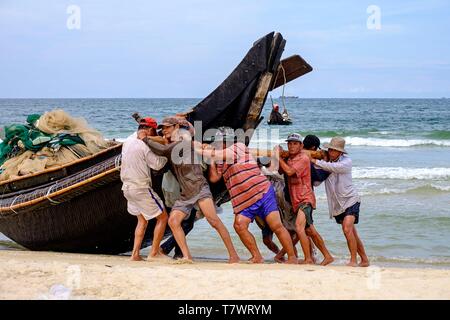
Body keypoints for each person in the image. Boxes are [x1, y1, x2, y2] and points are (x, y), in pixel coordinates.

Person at [141, 117, 240, 264]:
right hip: (186, 193)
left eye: (167, 127)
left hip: (199, 188)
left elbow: (162, 150)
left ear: (176, 127)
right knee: (174, 221)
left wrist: (145, 139)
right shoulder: (178, 143)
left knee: (214, 222)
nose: (164, 130)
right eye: (163, 128)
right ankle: (187, 256)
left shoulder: (182, 142)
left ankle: (234, 256)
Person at [198, 127, 297, 264]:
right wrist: (212, 161)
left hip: (262, 192)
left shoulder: (239, 147)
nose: (219, 144)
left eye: (221, 141)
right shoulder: (220, 158)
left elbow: (217, 154)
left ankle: (292, 258)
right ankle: (257, 256)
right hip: (243, 201)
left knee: (276, 225)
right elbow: (214, 178)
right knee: (239, 226)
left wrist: (202, 150)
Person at [310, 136, 370, 267]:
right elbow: (316, 182)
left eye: (334, 150)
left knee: (347, 228)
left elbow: (335, 167)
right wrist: (314, 165)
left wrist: (314, 161)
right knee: (352, 232)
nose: (331, 152)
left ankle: (353, 260)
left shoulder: (346, 161)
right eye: (330, 150)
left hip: (350, 199)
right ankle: (364, 259)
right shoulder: (326, 164)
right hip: (337, 205)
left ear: (340, 152)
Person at [276, 133, 334, 266]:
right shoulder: (290, 158)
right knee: (310, 231)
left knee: (298, 227)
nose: (291, 146)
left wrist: (278, 157)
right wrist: (281, 158)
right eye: (289, 143)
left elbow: (290, 172)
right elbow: (281, 171)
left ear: (301, 146)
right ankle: (328, 256)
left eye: (295, 143)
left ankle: (308, 259)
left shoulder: (303, 158)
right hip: (295, 200)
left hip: (305, 198)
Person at [120, 117, 169, 261]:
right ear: (148, 130)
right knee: (163, 217)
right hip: (140, 187)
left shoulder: (128, 140)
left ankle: (135, 254)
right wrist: (167, 154)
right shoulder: (144, 144)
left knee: (142, 221)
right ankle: (154, 253)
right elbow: (157, 165)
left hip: (126, 187)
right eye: (154, 132)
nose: (154, 135)